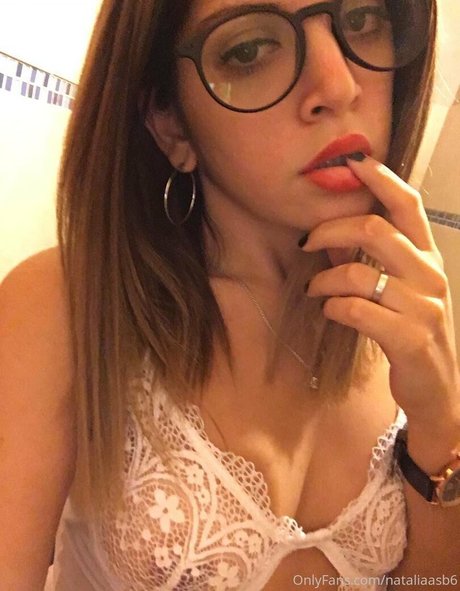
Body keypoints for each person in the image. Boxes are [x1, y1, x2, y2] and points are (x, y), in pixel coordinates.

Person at [1, 0, 459, 589]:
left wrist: (441, 421)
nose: (339, 86)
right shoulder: (68, 308)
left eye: (362, 19)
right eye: (249, 50)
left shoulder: (400, 329)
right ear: (170, 122)